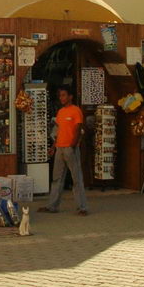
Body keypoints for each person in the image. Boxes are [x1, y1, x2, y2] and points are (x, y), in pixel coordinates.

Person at [38, 87, 88, 215]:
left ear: (70, 97)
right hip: (60, 148)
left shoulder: (76, 111)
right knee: (57, 178)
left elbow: (78, 128)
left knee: (76, 178)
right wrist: (53, 146)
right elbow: (58, 131)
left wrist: (73, 144)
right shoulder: (60, 112)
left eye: (64, 95)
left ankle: (82, 207)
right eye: (60, 96)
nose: (62, 98)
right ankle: (52, 206)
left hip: (70, 148)